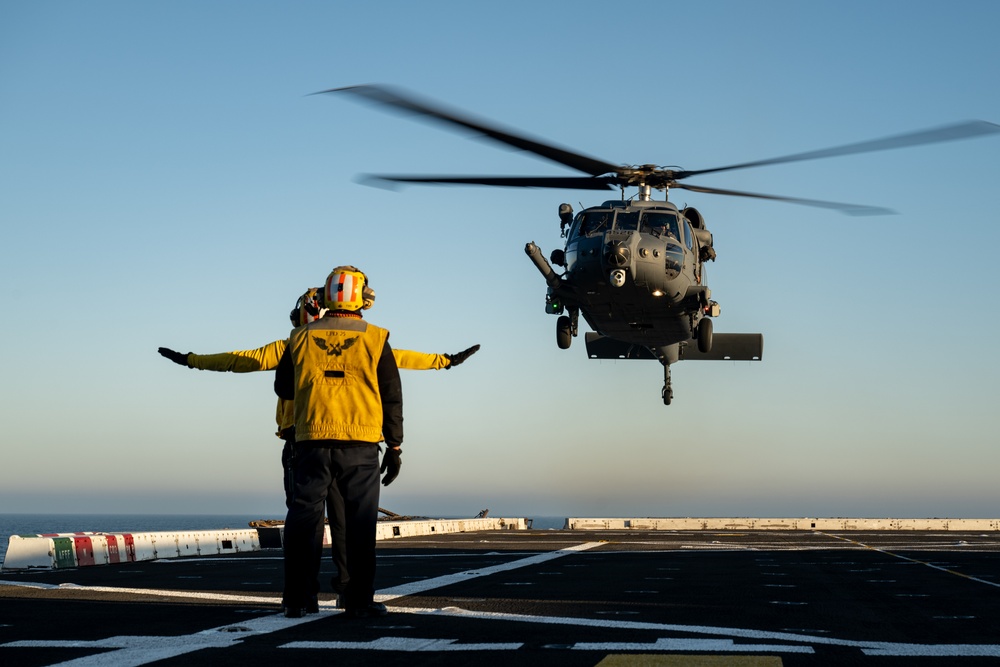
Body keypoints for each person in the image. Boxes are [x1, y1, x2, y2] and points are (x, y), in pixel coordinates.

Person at [158, 286, 478, 506]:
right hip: (350, 440)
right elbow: (400, 358)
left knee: (302, 514)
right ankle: (347, 592)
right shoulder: (358, 342)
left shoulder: (292, 345)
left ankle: (300, 598)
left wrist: (191, 361)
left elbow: (237, 360)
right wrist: (444, 361)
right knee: (345, 522)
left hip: (304, 442)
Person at [274, 265, 399, 619]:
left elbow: (283, 387)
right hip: (360, 445)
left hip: (311, 441)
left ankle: (298, 599)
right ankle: (357, 598)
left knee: (303, 520)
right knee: (359, 524)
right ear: (363, 298)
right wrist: (396, 445)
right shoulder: (376, 338)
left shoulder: (299, 337)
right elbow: (392, 396)